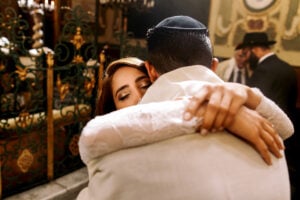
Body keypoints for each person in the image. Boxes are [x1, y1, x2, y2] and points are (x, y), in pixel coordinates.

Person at [78, 16, 293, 200]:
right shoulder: (268, 137)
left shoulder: (115, 163)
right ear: (214, 66)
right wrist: (243, 101)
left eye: (144, 86)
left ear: (151, 73)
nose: (138, 99)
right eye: (123, 95)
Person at [239, 31, 298, 199]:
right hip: (290, 135)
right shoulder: (286, 67)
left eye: (245, 53)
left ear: (254, 50)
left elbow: (251, 107)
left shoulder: (264, 71)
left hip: (271, 137)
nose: (244, 57)